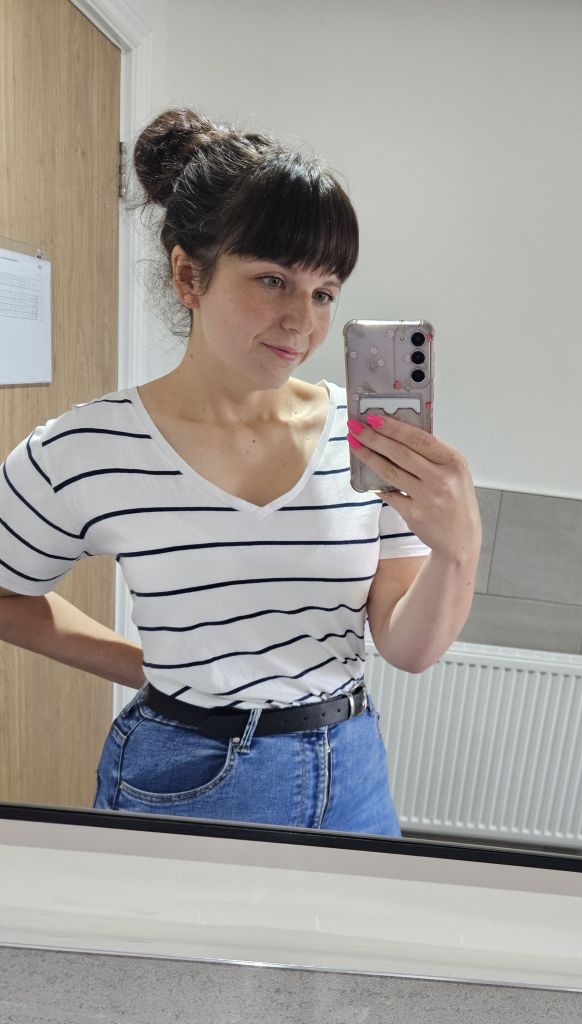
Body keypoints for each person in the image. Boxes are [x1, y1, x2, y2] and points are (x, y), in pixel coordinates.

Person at [0, 108, 481, 837]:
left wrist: (457, 549)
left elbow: (409, 650)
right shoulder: (87, 447)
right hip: (186, 773)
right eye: (271, 280)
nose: (302, 322)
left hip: (350, 772)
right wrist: (150, 667)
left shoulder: (366, 440)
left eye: (324, 292)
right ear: (189, 275)